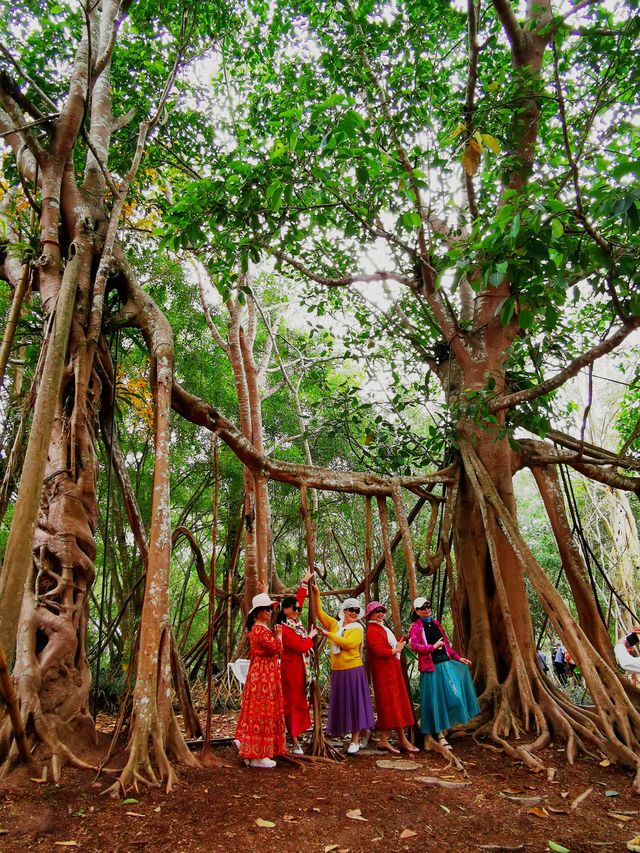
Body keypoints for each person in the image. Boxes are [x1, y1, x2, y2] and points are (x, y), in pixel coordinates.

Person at [311, 582, 375, 754]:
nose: (354, 613)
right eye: (351, 610)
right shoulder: (336, 625)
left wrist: (328, 635)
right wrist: (316, 594)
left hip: (353, 670)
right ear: (344, 611)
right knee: (344, 703)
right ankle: (360, 733)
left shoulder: (358, 628)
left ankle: (355, 739)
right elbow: (319, 613)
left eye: (356, 611)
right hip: (338, 671)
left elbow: (348, 644)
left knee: (355, 704)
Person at [409, 597, 479, 749]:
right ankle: (440, 735)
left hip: (446, 665)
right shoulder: (416, 627)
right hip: (431, 668)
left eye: (428, 606)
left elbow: (446, 646)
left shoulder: (436, 624)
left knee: (455, 697)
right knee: (436, 701)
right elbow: (414, 645)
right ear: (416, 611)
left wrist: (459, 658)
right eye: (422, 608)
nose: (426, 610)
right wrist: (432, 647)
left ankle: (448, 725)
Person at [235, 592, 286, 769]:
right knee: (262, 711)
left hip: (263, 673)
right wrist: (279, 634)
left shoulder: (259, 629)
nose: (270, 611)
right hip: (263, 675)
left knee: (259, 710)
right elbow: (276, 648)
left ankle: (251, 748)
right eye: (266, 609)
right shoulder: (259, 630)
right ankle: (258, 754)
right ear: (257, 613)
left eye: (270, 608)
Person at [365, 600, 419, 754]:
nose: (381, 613)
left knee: (396, 703)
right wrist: (396, 651)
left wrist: (406, 638)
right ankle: (386, 740)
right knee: (388, 704)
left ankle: (400, 739)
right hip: (384, 673)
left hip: (392, 671)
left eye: (382, 610)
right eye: (377, 611)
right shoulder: (372, 630)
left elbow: (392, 645)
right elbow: (379, 650)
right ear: (370, 614)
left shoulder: (381, 628)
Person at [277, 570, 318, 754]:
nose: (297, 611)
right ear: (285, 610)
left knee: (301, 701)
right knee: (292, 703)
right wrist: (310, 637)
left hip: (302, 670)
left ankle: (298, 735)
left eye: (298, 609)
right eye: (294, 609)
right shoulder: (283, 629)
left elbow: (299, 600)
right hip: (290, 671)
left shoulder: (295, 623)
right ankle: (293, 740)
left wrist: (304, 582)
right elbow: (300, 646)